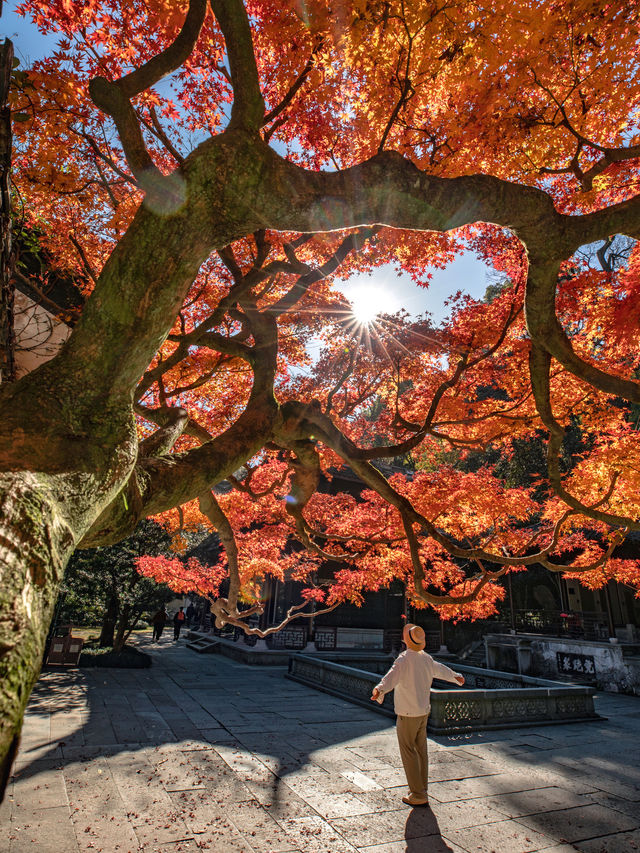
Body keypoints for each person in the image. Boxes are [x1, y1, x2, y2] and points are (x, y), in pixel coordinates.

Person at [371, 623, 465, 807]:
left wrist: (379, 690)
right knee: (421, 750)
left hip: (407, 712)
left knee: (408, 751)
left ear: (406, 640)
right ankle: (422, 788)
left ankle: (417, 793)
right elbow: (442, 670)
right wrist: (456, 676)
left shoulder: (404, 659)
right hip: (423, 711)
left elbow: (391, 677)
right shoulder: (427, 659)